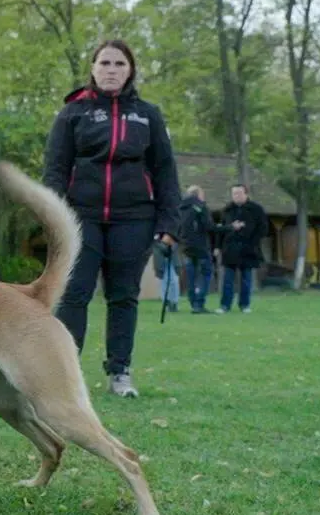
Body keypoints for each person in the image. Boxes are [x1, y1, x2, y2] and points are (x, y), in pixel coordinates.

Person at [42, 39, 182, 398]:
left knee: (123, 296)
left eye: (119, 63)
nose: (111, 69)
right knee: (74, 294)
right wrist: (53, 216)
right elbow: (55, 170)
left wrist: (169, 224)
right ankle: (63, 374)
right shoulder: (73, 113)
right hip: (80, 219)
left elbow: (165, 172)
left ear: (130, 70)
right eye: (104, 62)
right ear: (92, 68)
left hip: (134, 219)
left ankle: (120, 372)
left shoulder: (148, 115)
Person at [215, 184, 267, 314]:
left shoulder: (256, 209)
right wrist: (217, 246)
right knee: (228, 279)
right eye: (234, 194)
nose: (236, 196)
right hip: (230, 248)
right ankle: (224, 305)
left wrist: (252, 242)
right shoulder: (226, 210)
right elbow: (219, 230)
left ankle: (244, 305)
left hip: (248, 249)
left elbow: (263, 229)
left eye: (239, 193)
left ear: (246, 194)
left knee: (246, 279)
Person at [177, 185, 216, 313]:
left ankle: (193, 302)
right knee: (205, 273)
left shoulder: (181, 208)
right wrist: (228, 227)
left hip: (186, 246)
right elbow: (208, 226)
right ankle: (199, 304)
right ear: (199, 195)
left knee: (191, 276)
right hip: (201, 247)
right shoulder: (200, 207)